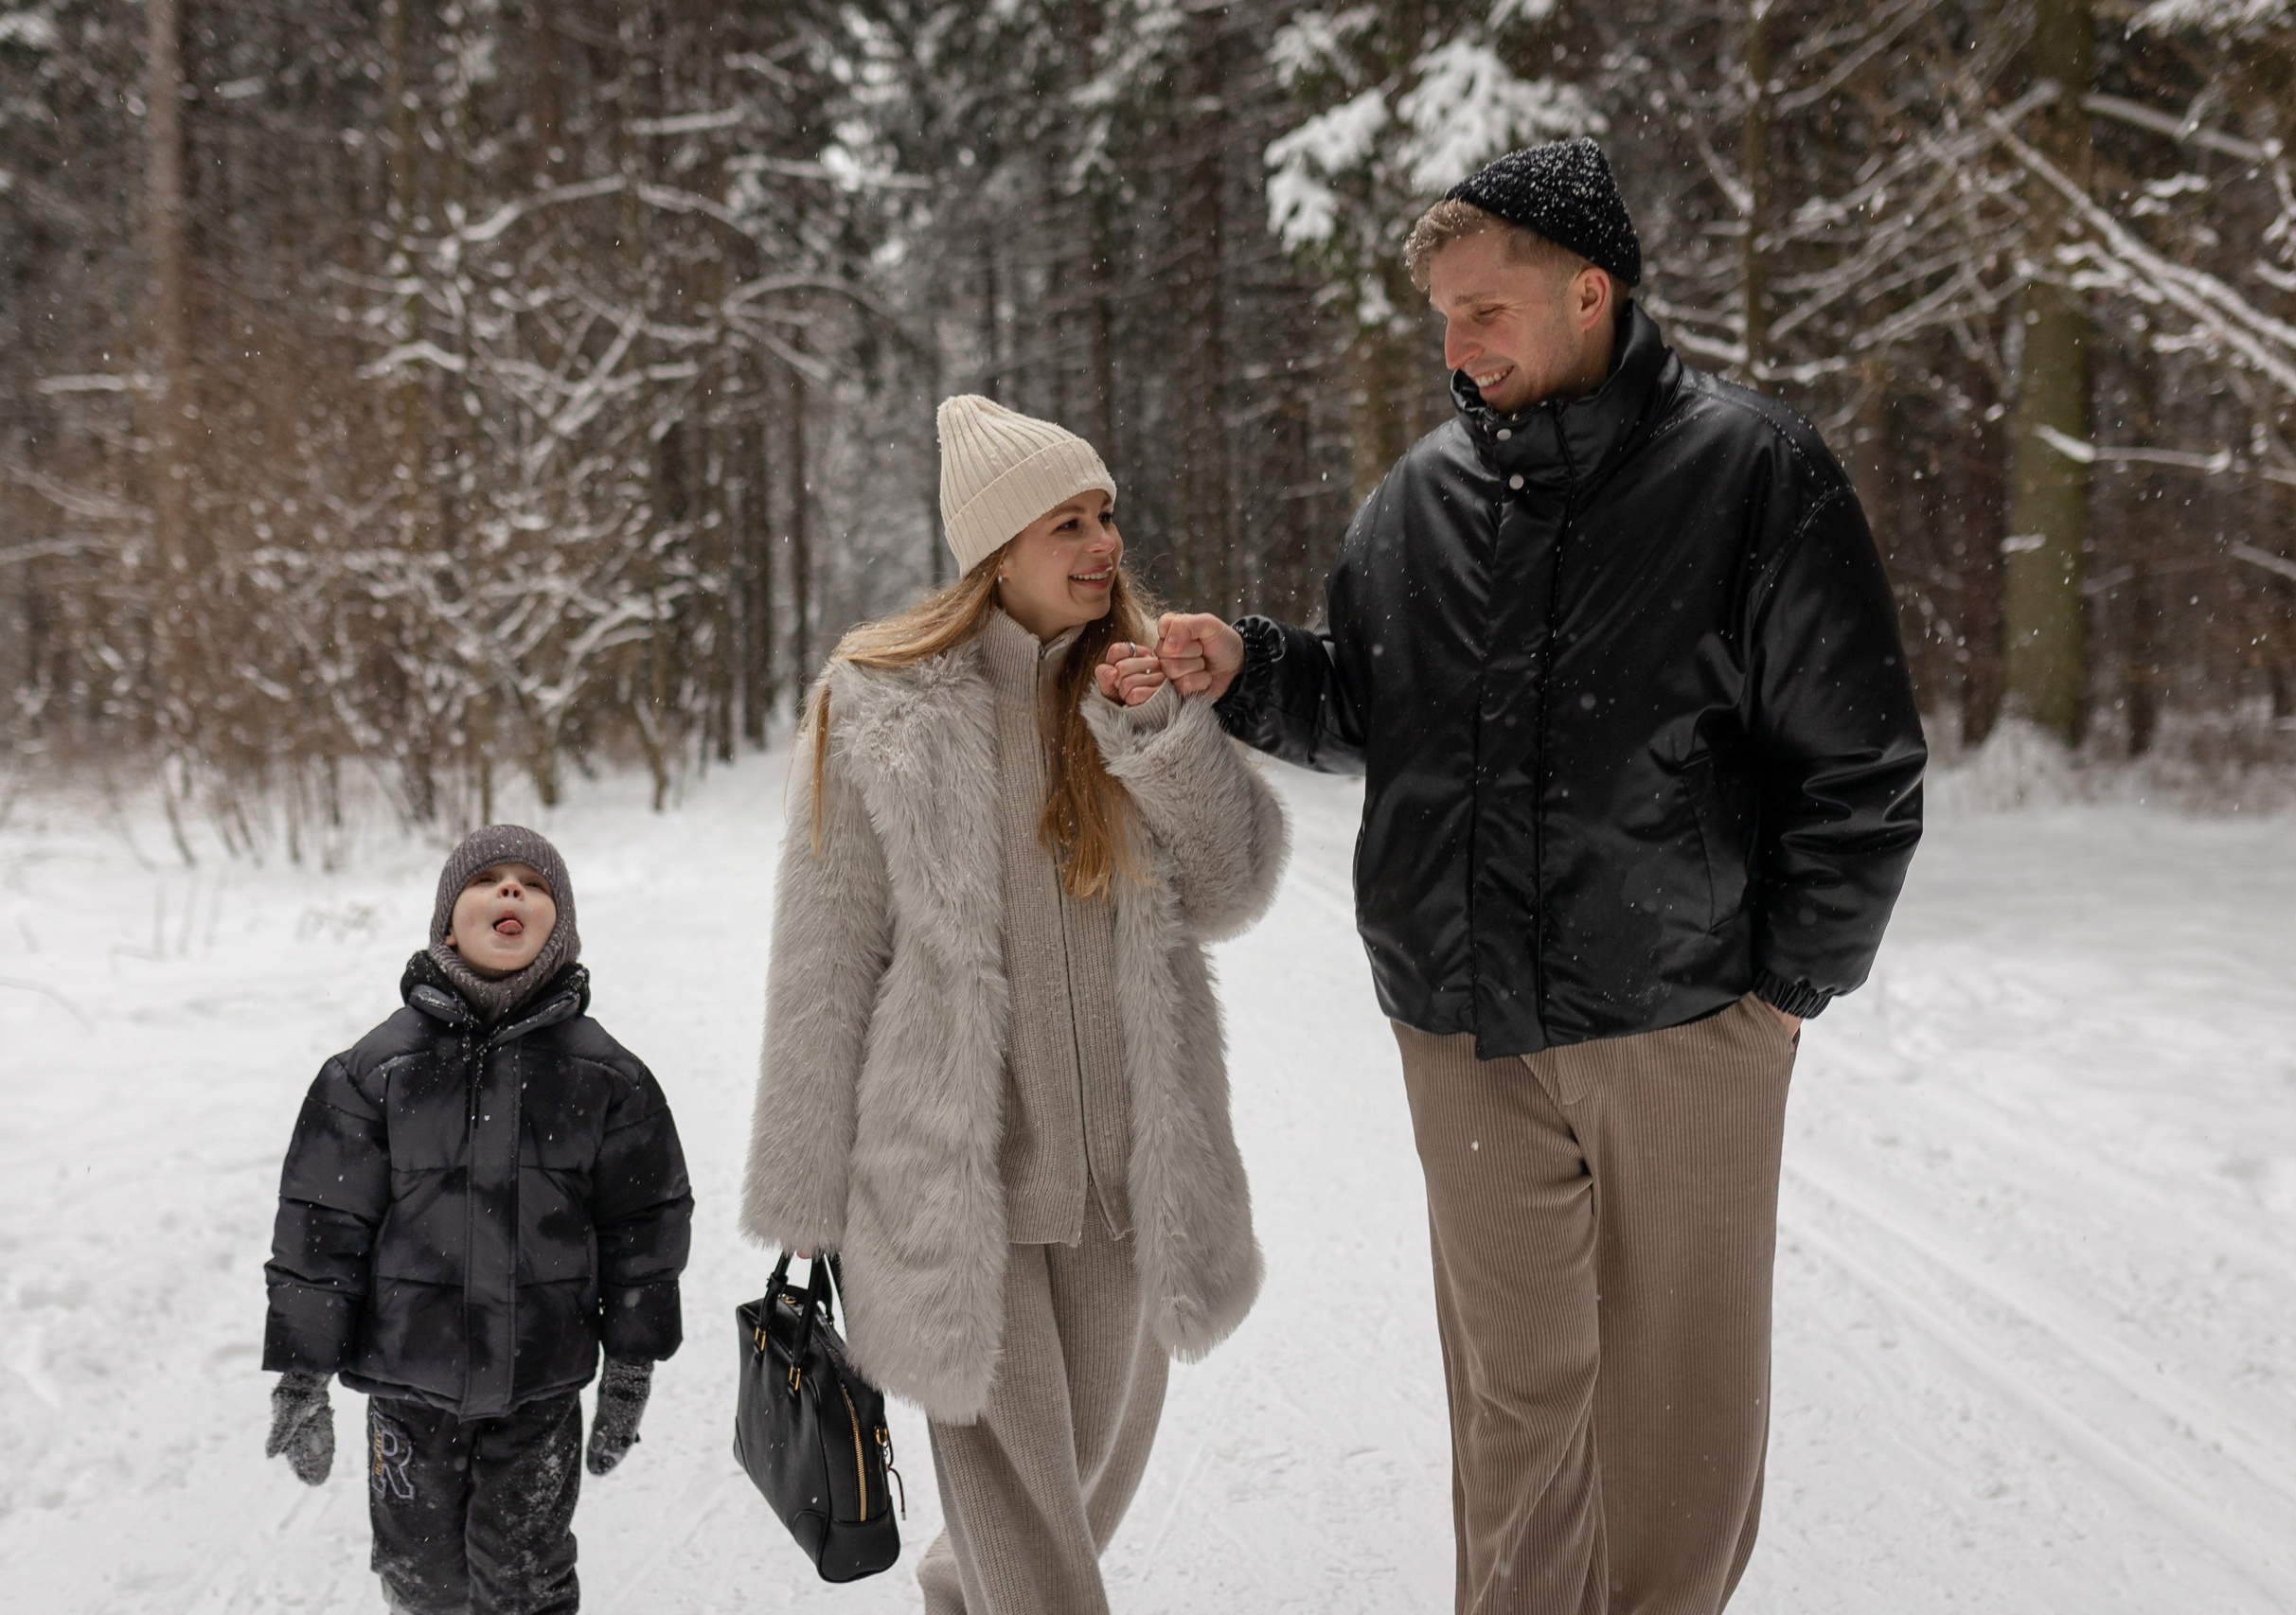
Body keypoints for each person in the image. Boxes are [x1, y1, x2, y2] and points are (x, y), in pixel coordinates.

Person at [1145, 137, 1927, 1614]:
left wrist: (1784, 988)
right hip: (1461, 1027)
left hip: (1682, 1018)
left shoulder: (1753, 472)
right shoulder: (1418, 500)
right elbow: (1380, 705)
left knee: (1678, 1407)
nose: (1458, 345)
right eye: (1442, 317)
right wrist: (1256, 669)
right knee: (1511, 1402)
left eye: (1485, 309)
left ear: (1589, 291)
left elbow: (1861, 758)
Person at [742, 395, 1289, 1615]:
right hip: (955, 1179)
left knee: (1079, 1480)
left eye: (1105, 514)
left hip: (1129, 1173)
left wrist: (1156, 731)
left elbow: (1234, 883)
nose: (1104, 543)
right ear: (996, 548)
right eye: (1066, 524)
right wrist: (805, 1188)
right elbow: (823, 958)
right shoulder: (880, 701)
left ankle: (963, 1588)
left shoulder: (1137, 680)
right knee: (1031, 1521)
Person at [259, 825, 693, 1615]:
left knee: (526, 1579)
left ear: (559, 928)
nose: (510, 890)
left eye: (534, 883)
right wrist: (303, 1372)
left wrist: (632, 1363)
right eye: (487, 879)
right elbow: (322, 1227)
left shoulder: (608, 1079)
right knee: (420, 1577)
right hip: (407, 1386)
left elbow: (644, 1229)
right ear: (447, 924)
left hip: (540, 1387)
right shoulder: (373, 1073)